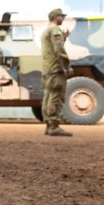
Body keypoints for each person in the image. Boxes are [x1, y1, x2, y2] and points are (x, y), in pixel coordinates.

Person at [41, 8, 73, 136]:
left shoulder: (46, 30)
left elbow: (52, 46)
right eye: (61, 16)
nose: (63, 18)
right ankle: (54, 126)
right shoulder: (55, 29)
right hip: (56, 69)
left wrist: (63, 38)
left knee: (48, 95)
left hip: (48, 69)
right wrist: (67, 66)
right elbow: (58, 49)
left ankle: (49, 125)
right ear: (56, 17)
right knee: (56, 96)